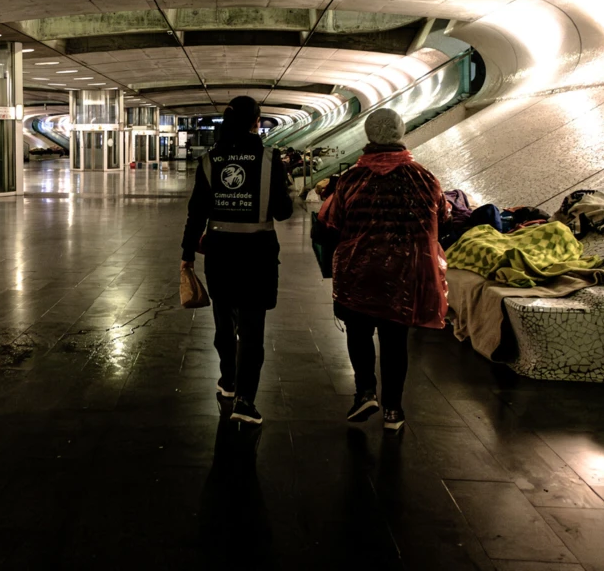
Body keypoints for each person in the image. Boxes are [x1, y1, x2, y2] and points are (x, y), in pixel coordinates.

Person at [318, 109, 449, 434]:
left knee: (359, 333)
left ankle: (365, 392)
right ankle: (393, 409)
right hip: (404, 276)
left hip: (358, 271)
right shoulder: (424, 178)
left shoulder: (350, 179)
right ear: (400, 132)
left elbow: (332, 221)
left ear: (369, 135)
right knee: (394, 341)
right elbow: (442, 218)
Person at [181, 96, 294, 426]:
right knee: (252, 328)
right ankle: (246, 400)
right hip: (258, 254)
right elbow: (284, 212)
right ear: (256, 121)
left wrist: (187, 255)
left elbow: (195, 214)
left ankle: (228, 380)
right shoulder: (270, 159)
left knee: (224, 320)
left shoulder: (210, 159)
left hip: (220, 253)